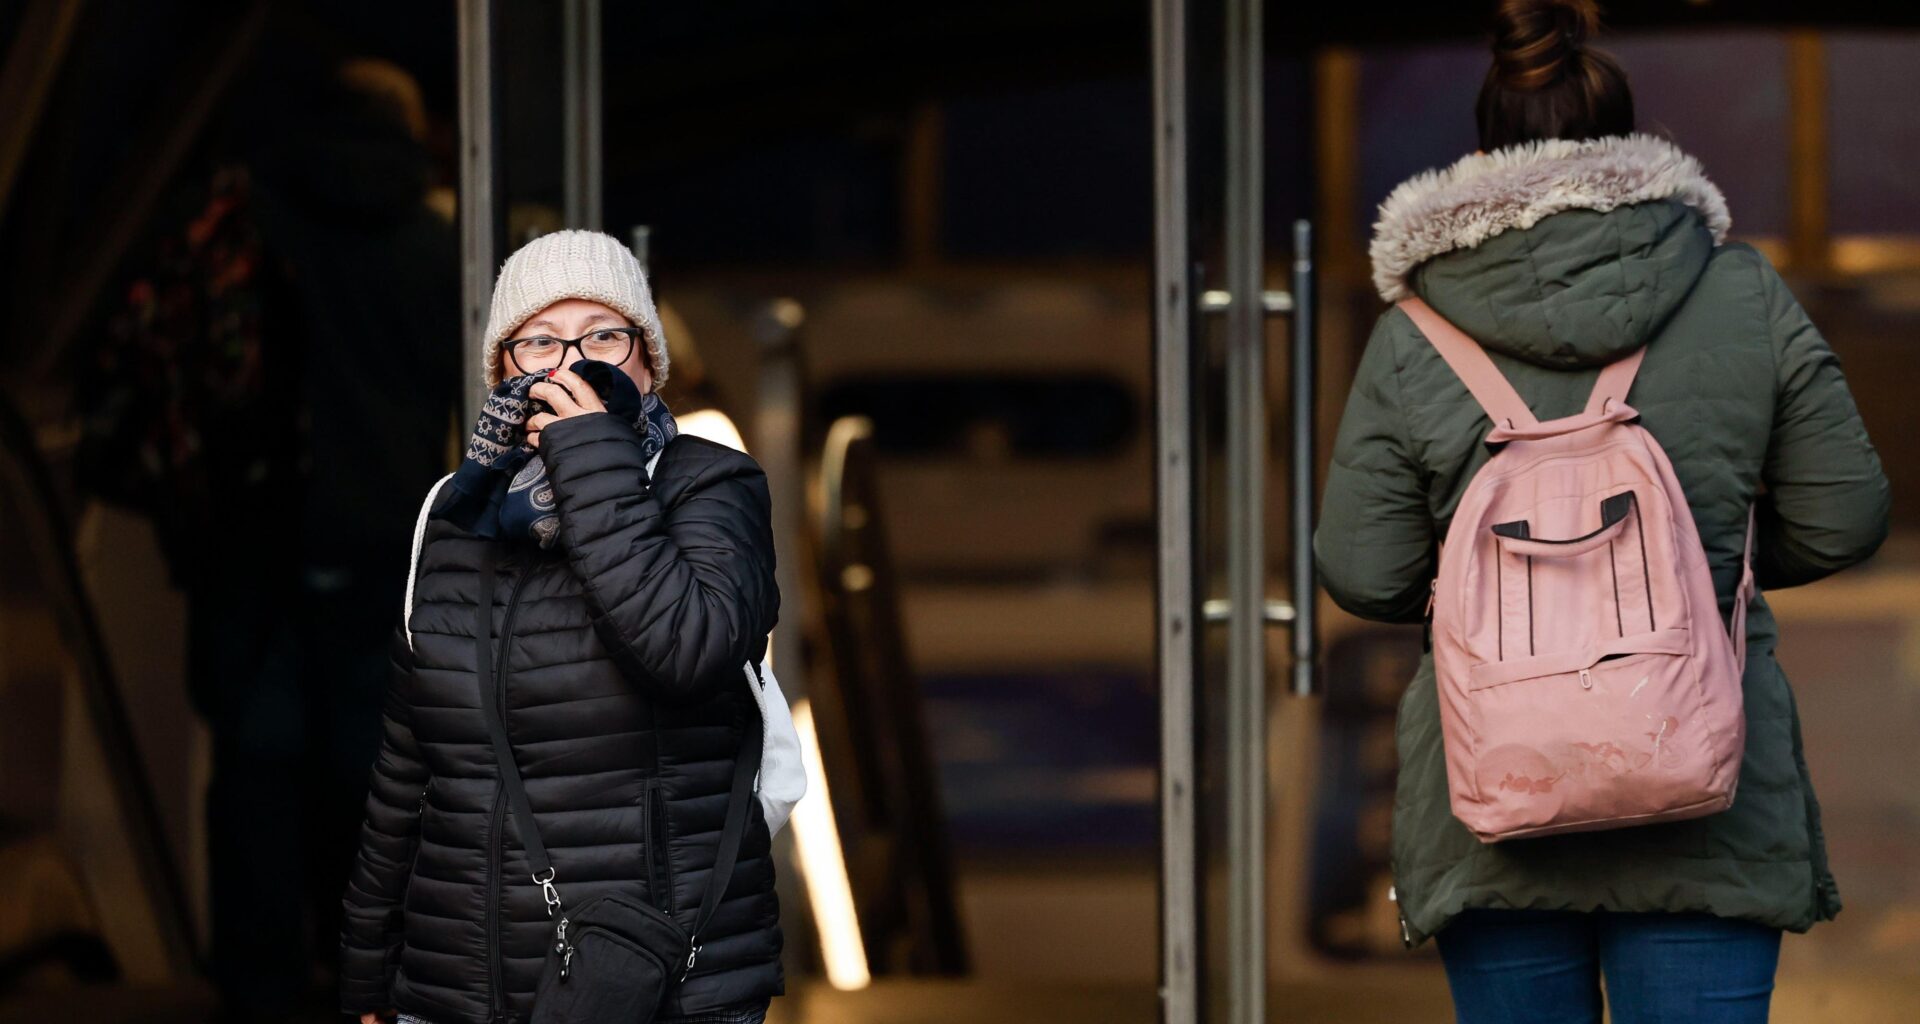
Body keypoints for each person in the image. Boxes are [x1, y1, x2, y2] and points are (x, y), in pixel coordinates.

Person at [1314, 2, 1889, 1022]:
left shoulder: (1414, 331)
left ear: (1484, 146)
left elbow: (1364, 569)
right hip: (1706, 791)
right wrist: (1700, 573)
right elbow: (1843, 514)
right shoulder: (1741, 290)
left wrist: (1498, 596)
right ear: (1629, 140)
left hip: (1493, 795)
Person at [339, 230, 783, 1024]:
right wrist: (368, 969)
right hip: (458, 986)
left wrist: (590, 460)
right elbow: (410, 763)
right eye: (540, 340)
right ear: (502, 368)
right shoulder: (457, 509)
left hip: (653, 984)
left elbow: (688, 654)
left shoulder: (711, 486)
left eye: (603, 335)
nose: (570, 362)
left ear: (647, 361)